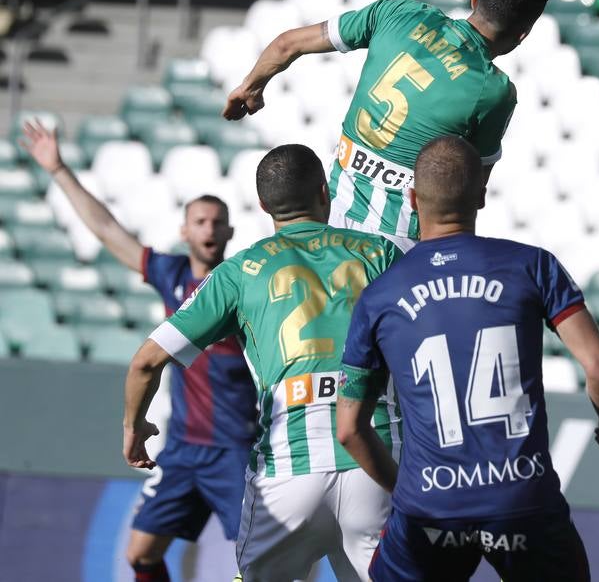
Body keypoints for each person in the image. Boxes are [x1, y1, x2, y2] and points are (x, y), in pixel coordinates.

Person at [335, 136, 599, 581]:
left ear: (413, 199)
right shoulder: (532, 266)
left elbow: (349, 429)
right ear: (481, 195)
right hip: (521, 499)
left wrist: (410, 494)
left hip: (430, 506)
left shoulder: (379, 296)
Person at [123, 144, 404, 582]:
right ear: (324, 194)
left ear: (262, 206)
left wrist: (133, 426)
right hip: (374, 460)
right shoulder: (380, 253)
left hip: (287, 468)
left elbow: (146, 362)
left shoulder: (238, 272)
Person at [21, 120, 257, 582]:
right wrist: (60, 169)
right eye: (200, 221)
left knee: (262, 561)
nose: (209, 229)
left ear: (230, 232)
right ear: (184, 231)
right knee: (140, 554)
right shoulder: (172, 276)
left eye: (217, 222)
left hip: (236, 451)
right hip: (184, 449)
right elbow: (108, 230)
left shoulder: (242, 282)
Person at [223, 0, 553, 251]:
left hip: (331, 224)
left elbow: (287, 44)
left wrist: (250, 88)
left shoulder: (398, 13)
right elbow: (469, 195)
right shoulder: (494, 91)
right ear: (524, 33)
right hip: (400, 248)